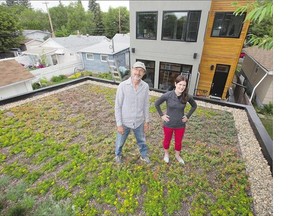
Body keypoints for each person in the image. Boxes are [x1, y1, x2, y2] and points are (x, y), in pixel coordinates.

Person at [154, 74, 197, 164]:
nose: (182, 87)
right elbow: (157, 104)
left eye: (184, 85)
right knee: (167, 140)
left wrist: (187, 116)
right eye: (180, 84)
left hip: (180, 125)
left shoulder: (187, 96)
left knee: (178, 142)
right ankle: (166, 154)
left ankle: (177, 155)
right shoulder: (168, 95)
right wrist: (162, 115)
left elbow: (194, 106)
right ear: (175, 84)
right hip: (169, 124)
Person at [114, 61, 150, 164]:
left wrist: (147, 121)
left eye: (141, 71)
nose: (138, 73)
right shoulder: (122, 86)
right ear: (132, 70)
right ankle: (118, 154)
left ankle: (143, 155)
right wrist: (119, 124)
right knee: (120, 142)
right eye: (136, 69)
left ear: (143, 73)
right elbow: (118, 106)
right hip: (125, 122)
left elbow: (146, 105)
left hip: (139, 121)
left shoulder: (145, 87)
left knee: (142, 141)